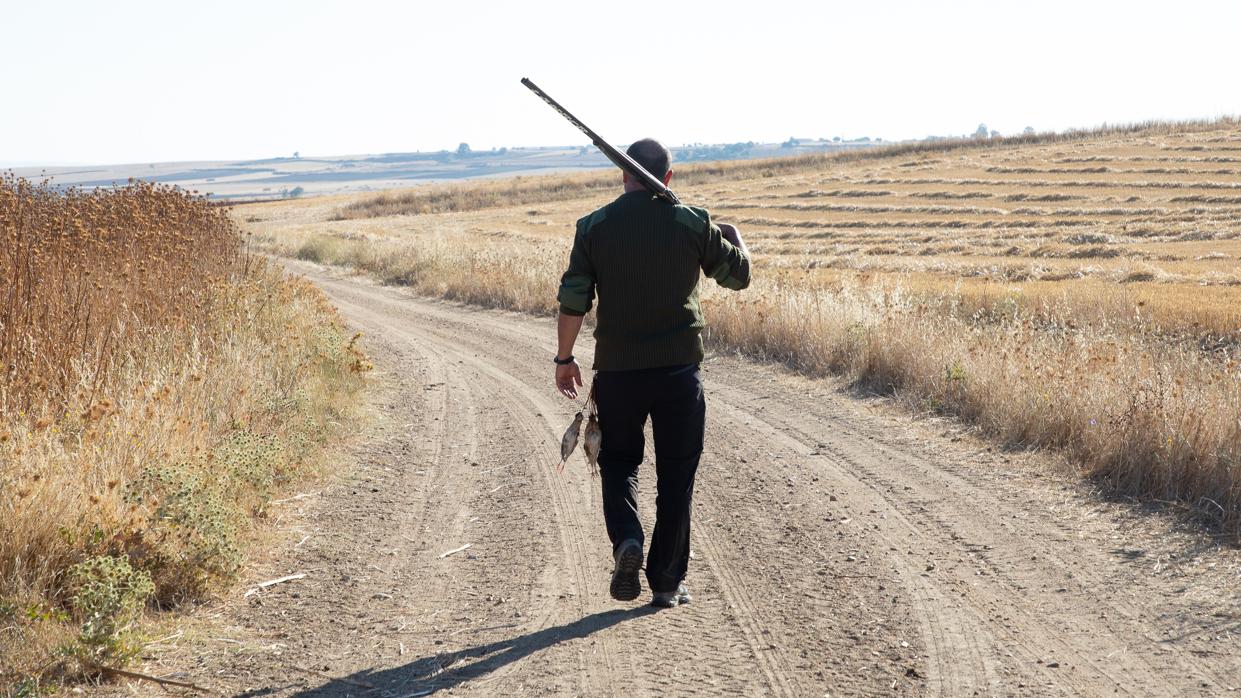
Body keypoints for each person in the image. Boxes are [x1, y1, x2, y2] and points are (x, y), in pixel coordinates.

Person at [552, 138, 751, 608]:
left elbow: (574, 298)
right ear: (669, 177)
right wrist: (730, 231)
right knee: (677, 477)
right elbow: (738, 276)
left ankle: (627, 541)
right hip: (680, 374)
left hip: (619, 374)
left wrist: (564, 359)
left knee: (619, 463)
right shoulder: (692, 221)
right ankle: (665, 582)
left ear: (623, 175)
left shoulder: (594, 226)